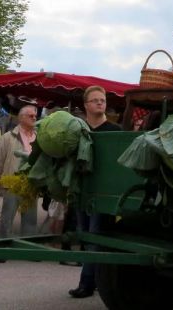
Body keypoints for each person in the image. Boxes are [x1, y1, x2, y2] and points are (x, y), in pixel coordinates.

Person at [68, 85, 120, 299]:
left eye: (103, 100)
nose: (100, 103)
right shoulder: (78, 130)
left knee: (95, 236)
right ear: (86, 105)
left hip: (104, 193)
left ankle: (86, 284)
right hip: (82, 191)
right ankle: (97, 280)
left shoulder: (116, 132)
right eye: (96, 100)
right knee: (86, 235)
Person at [0, 105, 38, 238]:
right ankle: (4, 247)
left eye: (35, 115)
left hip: (31, 184)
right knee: (7, 219)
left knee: (30, 220)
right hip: (12, 184)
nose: (34, 118)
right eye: (30, 115)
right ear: (21, 118)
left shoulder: (39, 137)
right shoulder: (8, 137)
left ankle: (28, 247)